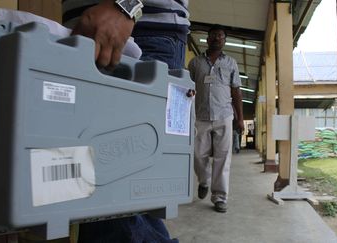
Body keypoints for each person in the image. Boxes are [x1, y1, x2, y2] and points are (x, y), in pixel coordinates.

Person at [61, 0, 190, 242]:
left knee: (106, 193)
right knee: (106, 194)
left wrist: (125, 6)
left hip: (131, 32)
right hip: (87, 34)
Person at [188, 24, 244, 213]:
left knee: (222, 158)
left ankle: (220, 197)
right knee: (197, 155)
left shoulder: (231, 63)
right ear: (207, 39)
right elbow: (187, 86)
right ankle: (204, 180)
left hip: (224, 115)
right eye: (213, 35)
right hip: (200, 116)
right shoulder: (195, 63)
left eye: (220, 36)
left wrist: (240, 118)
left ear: (224, 40)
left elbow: (236, 91)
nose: (217, 38)